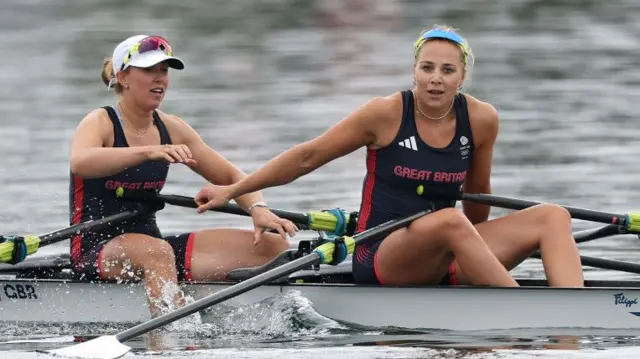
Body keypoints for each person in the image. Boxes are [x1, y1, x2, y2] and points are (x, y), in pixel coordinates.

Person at [192, 25, 584, 288]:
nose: (435, 78)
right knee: (448, 220)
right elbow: (307, 157)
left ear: (462, 78)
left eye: (447, 70)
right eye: (427, 68)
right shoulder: (384, 113)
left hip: (448, 247)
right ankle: (525, 312)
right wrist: (235, 190)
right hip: (382, 254)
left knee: (554, 215)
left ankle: (573, 318)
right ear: (414, 71)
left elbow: (478, 196)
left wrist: (473, 250)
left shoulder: (482, 119)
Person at [69, 34, 298, 317]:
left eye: (164, 71)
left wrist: (257, 208)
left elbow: (229, 174)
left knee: (272, 245)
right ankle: (176, 340)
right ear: (123, 77)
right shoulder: (101, 121)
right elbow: (81, 162)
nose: (160, 79)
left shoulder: (172, 127)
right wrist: (148, 152)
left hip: (154, 246)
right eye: (149, 70)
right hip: (97, 248)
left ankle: (202, 303)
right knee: (156, 253)